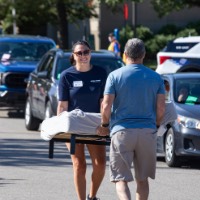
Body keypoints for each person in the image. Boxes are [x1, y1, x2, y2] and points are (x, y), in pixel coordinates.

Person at [97, 38, 165, 200]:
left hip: (122, 131)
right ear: (144, 55)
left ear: (125, 54)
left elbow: (106, 106)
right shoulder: (156, 77)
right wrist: (155, 124)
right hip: (147, 131)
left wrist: (104, 125)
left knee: (120, 179)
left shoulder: (114, 76)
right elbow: (161, 108)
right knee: (142, 180)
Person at [57, 40, 107, 200]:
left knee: (100, 164)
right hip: (74, 125)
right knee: (79, 165)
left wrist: (104, 124)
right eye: (79, 53)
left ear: (90, 53)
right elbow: (62, 106)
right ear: (73, 55)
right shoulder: (66, 76)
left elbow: (103, 103)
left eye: (86, 52)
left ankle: (92, 196)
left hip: (95, 124)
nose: (83, 55)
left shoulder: (100, 73)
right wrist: (60, 125)